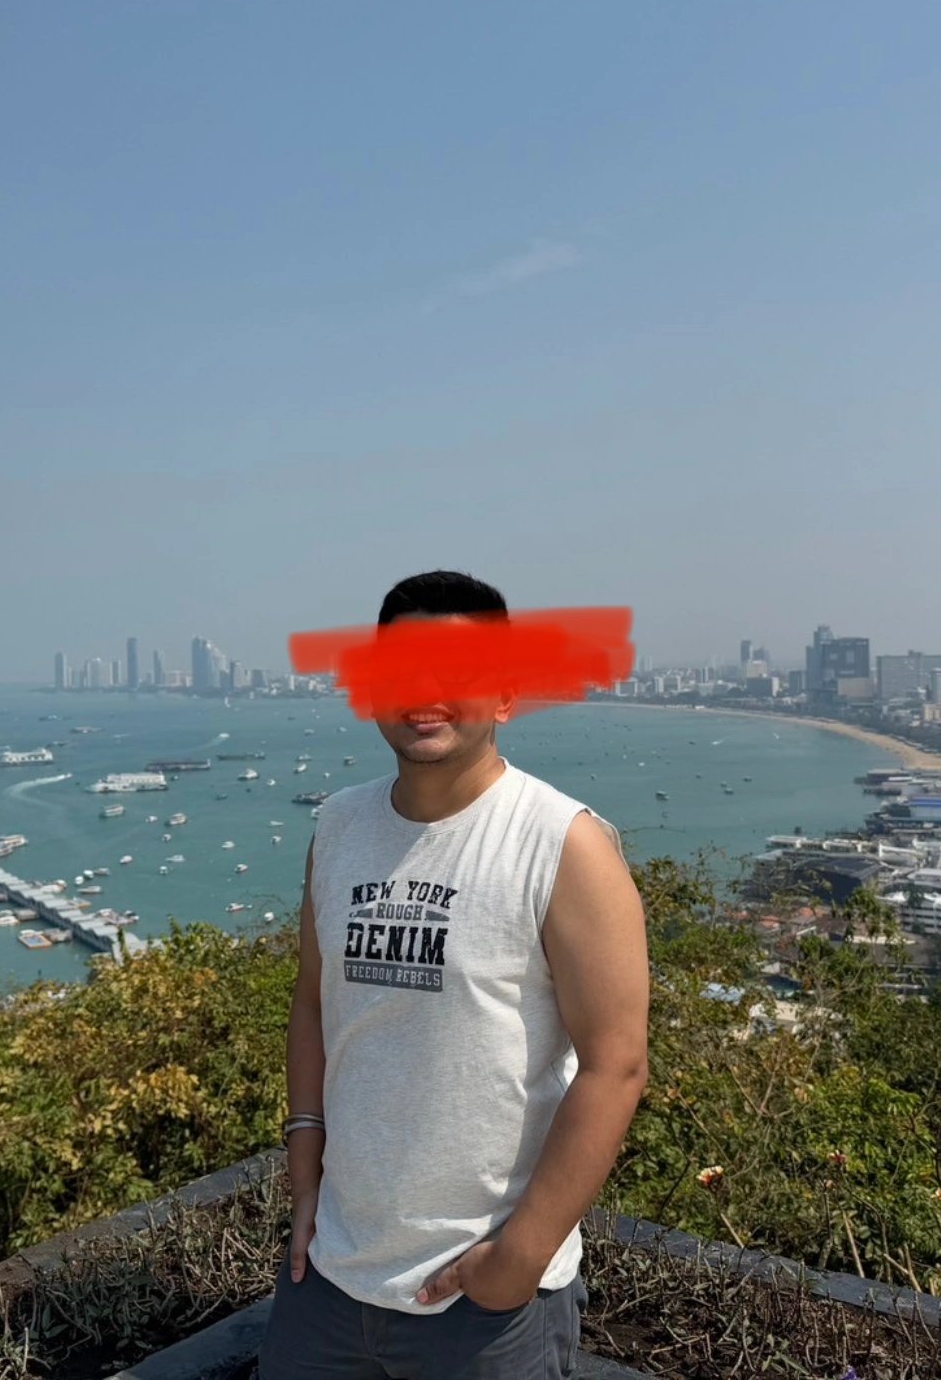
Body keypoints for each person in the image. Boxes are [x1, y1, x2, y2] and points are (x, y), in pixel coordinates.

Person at [257, 570, 651, 1380]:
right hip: (328, 1276)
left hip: (483, 1308)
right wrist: (304, 1166)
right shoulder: (339, 826)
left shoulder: (563, 843)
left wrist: (521, 1255)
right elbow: (313, 1002)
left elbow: (616, 1064)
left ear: (505, 696)